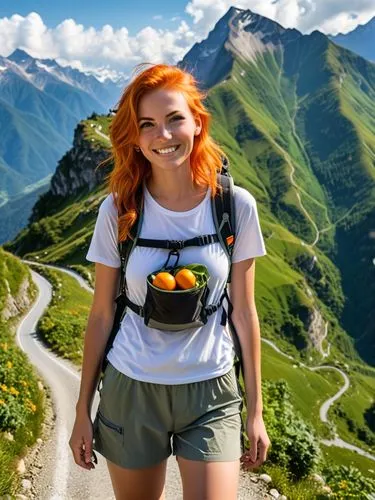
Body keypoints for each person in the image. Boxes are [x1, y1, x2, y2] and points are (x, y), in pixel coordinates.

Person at [69, 62, 270, 500]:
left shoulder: (235, 206)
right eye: (148, 125)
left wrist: (256, 410)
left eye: (175, 118)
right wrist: (82, 410)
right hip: (131, 387)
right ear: (135, 139)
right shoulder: (118, 209)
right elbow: (102, 314)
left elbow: (245, 311)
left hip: (212, 388)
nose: (164, 135)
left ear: (197, 122)